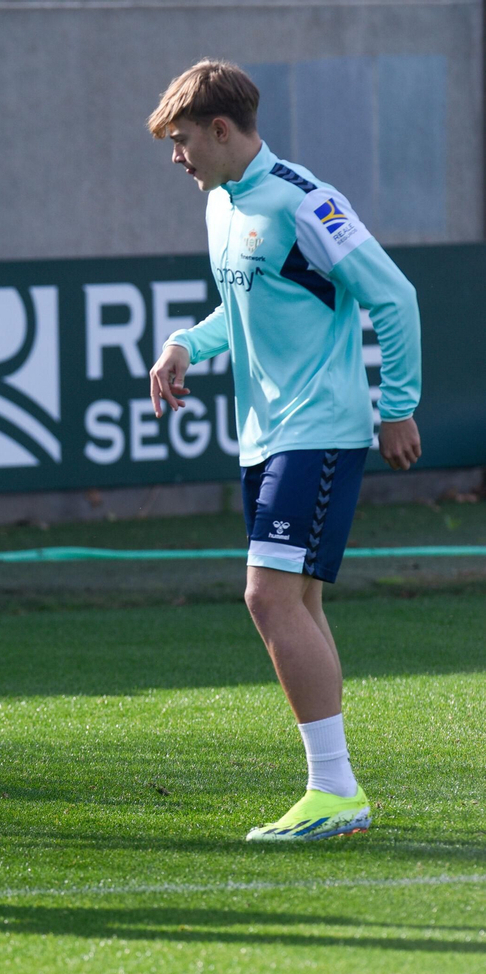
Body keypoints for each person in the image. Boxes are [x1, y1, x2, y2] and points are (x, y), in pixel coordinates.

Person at [146, 60, 422, 841]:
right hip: (263, 436)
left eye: (183, 139)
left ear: (223, 131)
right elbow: (239, 308)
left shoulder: (307, 201)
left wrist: (396, 408)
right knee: (296, 601)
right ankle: (336, 793)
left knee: (266, 596)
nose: (177, 157)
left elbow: (394, 298)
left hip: (320, 429)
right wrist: (183, 344)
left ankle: (334, 790)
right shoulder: (221, 205)